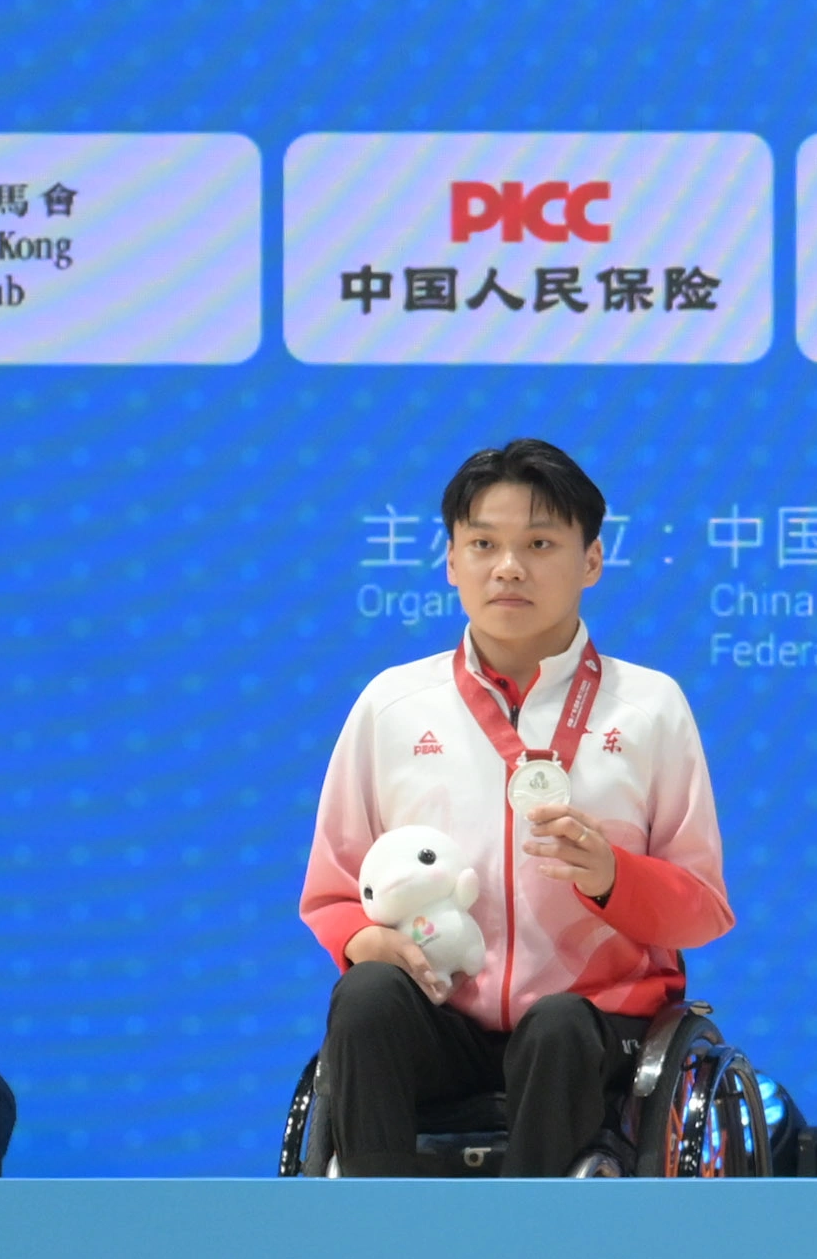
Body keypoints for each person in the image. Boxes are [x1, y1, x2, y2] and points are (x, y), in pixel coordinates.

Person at [298, 439, 733, 1174]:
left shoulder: (650, 708)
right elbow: (333, 894)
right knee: (366, 997)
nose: (508, 567)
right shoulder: (392, 706)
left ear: (591, 560)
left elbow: (703, 908)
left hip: (591, 1029)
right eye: (483, 544)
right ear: (451, 561)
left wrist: (612, 877)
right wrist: (362, 942)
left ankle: (531, 1241)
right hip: (440, 1019)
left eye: (539, 543)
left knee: (556, 1026)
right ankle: (373, 1229)